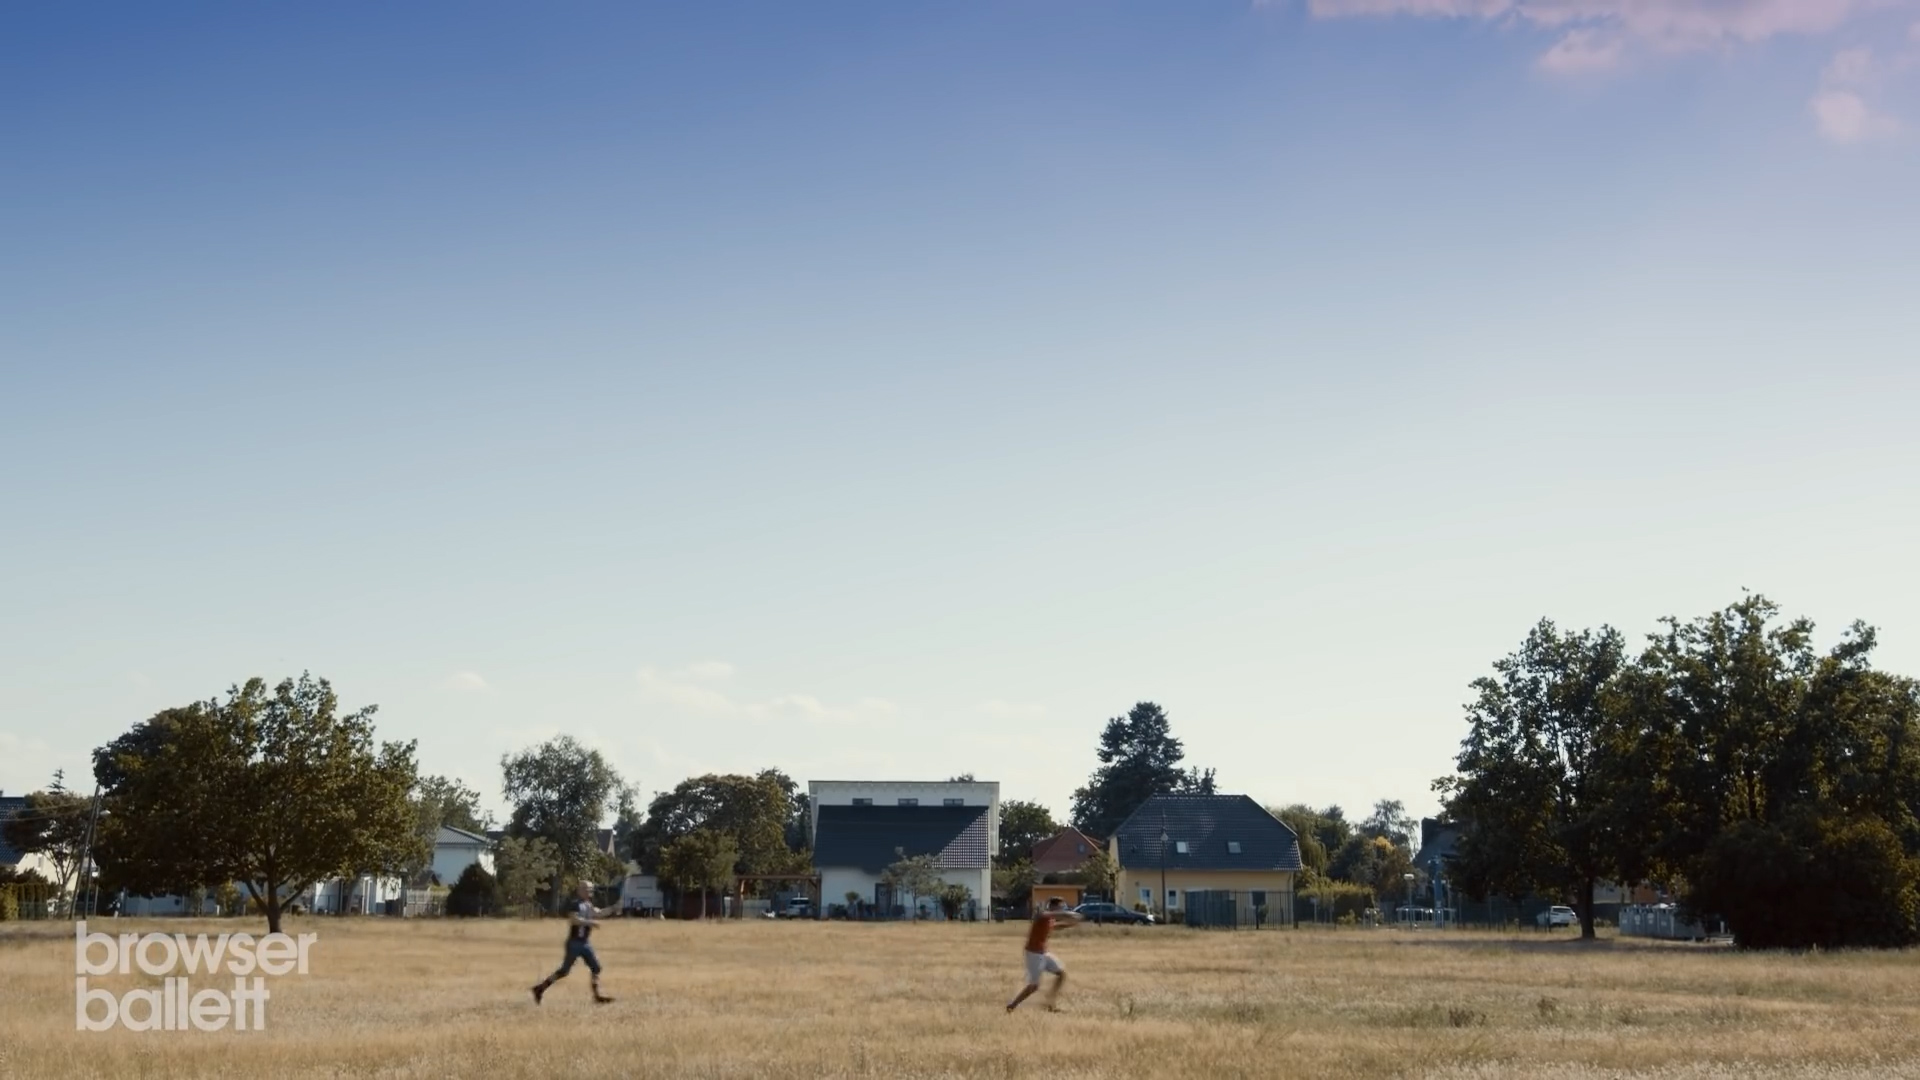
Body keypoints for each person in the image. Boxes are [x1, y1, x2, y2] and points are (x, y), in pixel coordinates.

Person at [532, 880, 614, 1005]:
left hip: (585, 942)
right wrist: (590, 923)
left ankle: (597, 996)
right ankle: (540, 988)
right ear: (580, 890)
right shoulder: (575, 904)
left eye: (591, 890)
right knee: (564, 971)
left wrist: (614, 908)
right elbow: (574, 920)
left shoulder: (588, 905)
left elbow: (599, 913)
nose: (589, 892)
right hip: (574, 943)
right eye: (587, 889)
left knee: (596, 967)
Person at [1007, 897, 1083, 1012]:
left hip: (1043, 953)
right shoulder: (1043, 915)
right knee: (1034, 986)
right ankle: (1012, 1006)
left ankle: (1050, 1004)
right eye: (1061, 907)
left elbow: (1055, 927)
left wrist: (1070, 924)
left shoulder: (1050, 919)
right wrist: (1072, 915)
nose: (1062, 909)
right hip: (1033, 953)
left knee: (1061, 974)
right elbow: (1057, 915)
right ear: (1053, 907)